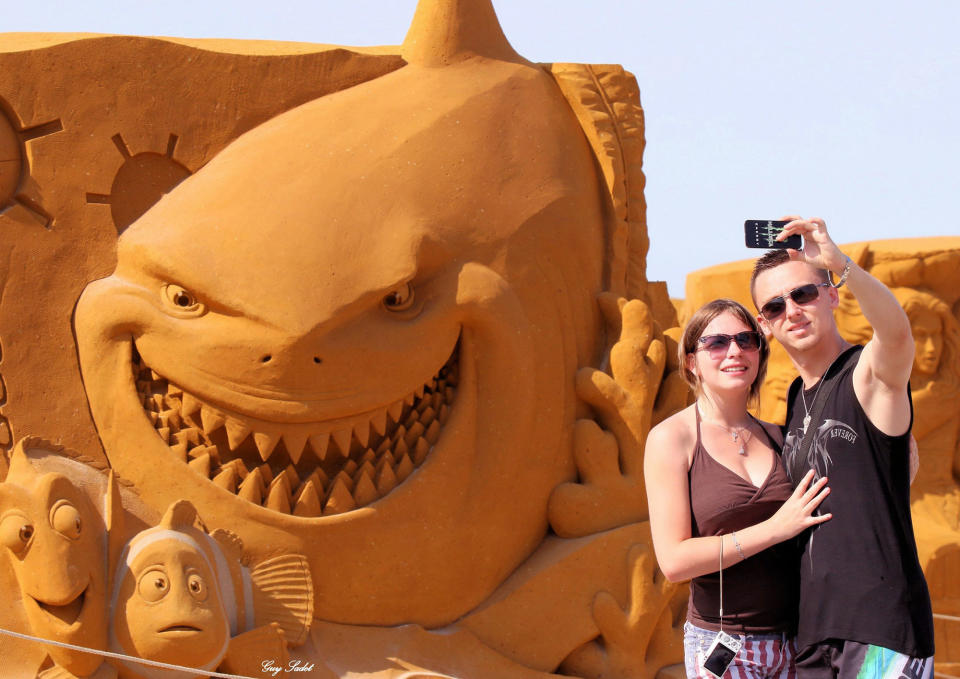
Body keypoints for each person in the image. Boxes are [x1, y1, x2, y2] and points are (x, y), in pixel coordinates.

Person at [750, 217, 935, 679]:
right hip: (812, 634)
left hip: (881, 628)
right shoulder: (795, 398)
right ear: (765, 324)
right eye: (775, 306)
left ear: (831, 295)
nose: (791, 310)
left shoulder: (866, 374)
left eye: (804, 294)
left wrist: (840, 263)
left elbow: (895, 335)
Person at [645, 298, 831, 679]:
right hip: (725, 646)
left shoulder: (782, 436)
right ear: (692, 362)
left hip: (800, 642)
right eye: (716, 342)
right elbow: (674, 562)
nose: (735, 351)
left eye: (747, 340)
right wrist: (775, 529)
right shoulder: (672, 439)